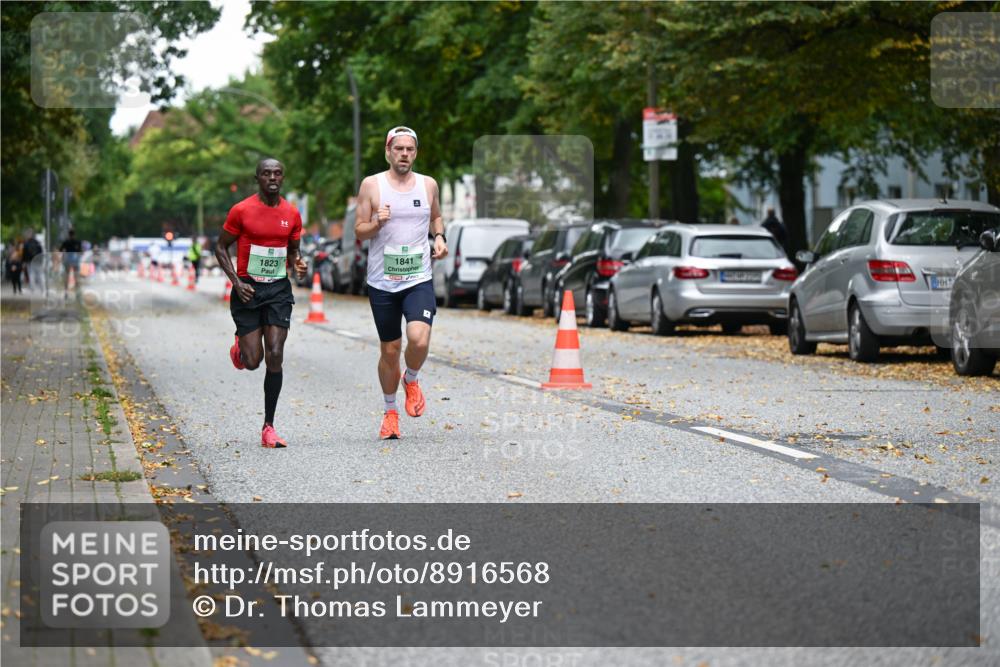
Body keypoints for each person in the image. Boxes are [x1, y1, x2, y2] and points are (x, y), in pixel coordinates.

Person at [355, 126, 448, 440]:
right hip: (382, 282)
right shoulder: (372, 185)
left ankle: (412, 378)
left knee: (418, 339)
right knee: (390, 350)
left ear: (415, 153)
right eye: (398, 149)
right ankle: (390, 412)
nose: (404, 154)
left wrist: (439, 237)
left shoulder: (428, 184)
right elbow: (359, 231)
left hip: (418, 277)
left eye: (409, 149)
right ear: (388, 152)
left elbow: (435, 217)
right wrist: (377, 222)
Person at [214, 158, 307, 449]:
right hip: (248, 290)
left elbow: (293, 251)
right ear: (257, 178)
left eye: (277, 173)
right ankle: (241, 348)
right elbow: (220, 247)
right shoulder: (241, 210)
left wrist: (298, 263)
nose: (272, 178)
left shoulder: (291, 213)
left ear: (283, 178)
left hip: (278, 290)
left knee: (275, 354)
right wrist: (236, 282)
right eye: (266, 174)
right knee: (253, 362)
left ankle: (269, 426)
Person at [59, 229, 83, 294]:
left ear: (68, 234)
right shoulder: (78, 242)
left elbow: (60, 250)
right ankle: (77, 292)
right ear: (74, 235)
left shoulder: (66, 242)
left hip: (67, 260)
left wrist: (64, 254)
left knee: (67, 276)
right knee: (76, 276)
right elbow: (80, 251)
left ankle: (66, 291)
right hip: (75, 260)